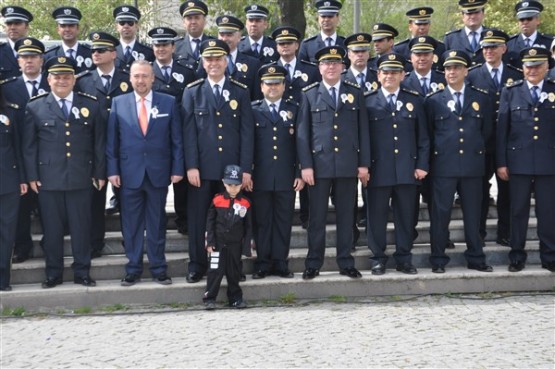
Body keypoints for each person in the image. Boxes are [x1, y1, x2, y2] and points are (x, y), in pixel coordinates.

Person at [22, 56, 105, 288]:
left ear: (74, 79)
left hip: (81, 177)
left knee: (81, 229)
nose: (62, 80)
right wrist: (31, 176)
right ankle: (53, 273)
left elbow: (98, 143)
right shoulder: (35, 106)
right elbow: (29, 147)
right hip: (49, 180)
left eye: (66, 76)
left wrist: (99, 173)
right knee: (53, 229)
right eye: (57, 76)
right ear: (49, 79)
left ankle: (82, 272)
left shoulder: (90, 104)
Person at [182, 39, 254, 283]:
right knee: (199, 219)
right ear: (203, 63)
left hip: (231, 173)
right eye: (209, 59)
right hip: (201, 170)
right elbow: (188, 133)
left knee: (233, 221)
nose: (213, 63)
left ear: (226, 61)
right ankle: (197, 265)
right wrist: (191, 165)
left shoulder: (240, 91)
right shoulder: (192, 91)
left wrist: (245, 169)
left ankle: (233, 266)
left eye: (218, 59)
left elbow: (247, 133)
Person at [106, 60, 184, 286]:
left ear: (153, 78)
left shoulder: (168, 103)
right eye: (136, 76)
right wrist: (112, 171)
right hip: (129, 174)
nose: (140, 80)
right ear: (130, 78)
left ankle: (159, 267)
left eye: (145, 76)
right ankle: (133, 268)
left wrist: (177, 168)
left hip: (158, 173)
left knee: (157, 222)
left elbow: (176, 139)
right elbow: (112, 142)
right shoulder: (118, 103)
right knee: (131, 225)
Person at [297, 46, 370, 280]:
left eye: (335, 63)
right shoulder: (309, 94)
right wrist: (305, 166)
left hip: (348, 165)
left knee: (346, 217)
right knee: (316, 218)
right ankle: (313, 263)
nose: (331, 67)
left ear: (342, 66)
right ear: (319, 68)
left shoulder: (355, 93)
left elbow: (363, 131)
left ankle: (346, 262)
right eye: (326, 63)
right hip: (318, 167)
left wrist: (363, 163)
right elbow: (302, 133)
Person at [424, 50, 493, 273]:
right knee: (440, 214)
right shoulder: (434, 101)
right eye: (447, 68)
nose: (451, 72)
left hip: (472, 167)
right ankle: (438, 259)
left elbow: (487, 133)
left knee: (473, 215)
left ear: (466, 70)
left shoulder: (481, 98)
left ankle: (476, 257)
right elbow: (429, 135)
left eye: (456, 68)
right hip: (443, 167)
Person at [365, 53, 429, 276]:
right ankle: (378, 258)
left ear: (403, 75)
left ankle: (404, 258)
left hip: (407, 170)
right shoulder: (368, 100)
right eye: (385, 72)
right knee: (376, 217)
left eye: (394, 72)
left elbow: (423, 138)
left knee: (405, 217)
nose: (389, 76)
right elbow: (363, 139)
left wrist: (422, 165)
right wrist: (364, 166)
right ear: (378, 75)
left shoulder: (415, 100)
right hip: (377, 171)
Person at [497, 47, 555, 273]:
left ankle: (549, 255)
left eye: (538, 65)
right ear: (522, 68)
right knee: (518, 211)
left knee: (548, 211)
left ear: (547, 67)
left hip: (549, 161)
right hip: (518, 162)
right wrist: (501, 162)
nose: (533, 69)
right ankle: (517, 256)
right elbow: (502, 130)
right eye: (529, 65)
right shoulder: (510, 92)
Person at [75, 31, 132, 259]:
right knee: (95, 198)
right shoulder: (83, 80)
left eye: (101, 50)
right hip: (93, 147)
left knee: (127, 198)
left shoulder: (127, 78)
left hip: (123, 147)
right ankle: (94, 243)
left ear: (113, 54)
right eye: (93, 50)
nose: (95, 54)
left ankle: (130, 240)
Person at [467, 30, 523, 247]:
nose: (488, 51)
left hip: (510, 142)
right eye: (485, 47)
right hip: (483, 141)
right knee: (479, 191)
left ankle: (505, 232)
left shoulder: (516, 74)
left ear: (504, 49)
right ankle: (478, 232)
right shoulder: (472, 74)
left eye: (493, 46)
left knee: (507, 190)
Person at [251, 65, 303, 279]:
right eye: (268, 84)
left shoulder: (295, 108)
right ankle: (263, 262)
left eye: (277, 83)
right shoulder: (253, 109)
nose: (272, 87)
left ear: (284, 86)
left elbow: (301, 142)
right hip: (260, 176)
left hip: (286, 175)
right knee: (262, 220)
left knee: (283, 220)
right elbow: (248, 143)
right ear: (261, 87)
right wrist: (248, 173)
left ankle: (281, 262)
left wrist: (299, 171)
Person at [2, 37, 49, 264]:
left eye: (33, 57)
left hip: (49, 156)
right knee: (20, 208)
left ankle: (50, 245)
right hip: (18, 158)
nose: (28, 61)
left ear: (41, 60)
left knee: (49, 207)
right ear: (18, 61)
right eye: (24, 57)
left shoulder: (54, 83)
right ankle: (22, 246)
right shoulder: (8, 88)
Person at [270, 26, 320, 230]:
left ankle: (307, 216)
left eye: (289, 43)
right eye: (281, 43)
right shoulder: (268, 70)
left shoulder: (310, 69)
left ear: (297, 45)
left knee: (306, 171)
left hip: (306, 126)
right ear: (276, 46)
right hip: (278, 129)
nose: (285, 46)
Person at [148, 26, 197, 236]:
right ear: (152, 48)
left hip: (181, 132)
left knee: (182, 180)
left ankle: (183, 220)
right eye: (157, 45)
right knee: (155, 181)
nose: (161, 49)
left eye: (165, 44)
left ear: (173, 47)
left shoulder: (186, 70)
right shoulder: (145, 72)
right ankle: (155, 223)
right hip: (155, 135)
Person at [203, 165, 252, 310]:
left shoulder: (245, 203)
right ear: (224, 183)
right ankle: (210, 298)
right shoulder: (217, 200)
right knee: (214, 271)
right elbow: (210, 223)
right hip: (217, 244)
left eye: (236, 185)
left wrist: (246, 247)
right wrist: (210, 242)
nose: (233, 188)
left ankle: (235, 298)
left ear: (241, 185)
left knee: (234, 272)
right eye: (230, 185)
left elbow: (248, 227)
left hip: (235, 245)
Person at [0, 86, 27, 291]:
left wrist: (23, 179)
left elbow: (19, 148)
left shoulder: (10, 112)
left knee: (7, 233)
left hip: (8, 182)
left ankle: (3, 278)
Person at [209, 15, 262, 101]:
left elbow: (256, 98)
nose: (225, 39)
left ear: (239, 37)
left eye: (229, 35)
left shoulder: (253, 64)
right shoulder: (208, 63)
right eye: (222, 35)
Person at [44, 6, 94, 75]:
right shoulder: (49, 56)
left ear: (78, 28)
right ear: (58, 30)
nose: (67, 29)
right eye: (63, 26)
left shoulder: (91, 53)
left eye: (71, 25)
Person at [506, 0, 553, 69]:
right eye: (521, 19)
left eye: (529, 18)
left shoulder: (550, 43)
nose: (525, 22)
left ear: (538, 20)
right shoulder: (509, 43)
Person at [443, 0, 489, 67]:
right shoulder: (450, 39)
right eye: (469, 13)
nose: (473, 16)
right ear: (462, 16)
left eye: (476, 12)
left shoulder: (493, 36)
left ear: (483, 14)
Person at [113, 5, 155, 73]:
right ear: (116, 27)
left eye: (130, 23)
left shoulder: (148, 52)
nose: (126, 26)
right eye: (122, 23)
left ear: (137, 26)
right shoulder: (110, 50)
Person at [174, 0, 212, 70]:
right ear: (184, 23)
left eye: (197, 17)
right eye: (189, 18)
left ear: (204, 21)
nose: (193, 22)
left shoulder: (214, 43)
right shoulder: (175, 46)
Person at [0, 5, 33, 80]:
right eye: (9, 24)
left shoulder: (38, 52)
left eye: (17, 23)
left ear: (27, 27)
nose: (12, 27)